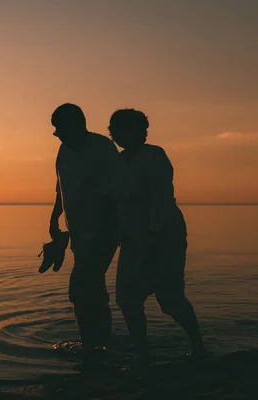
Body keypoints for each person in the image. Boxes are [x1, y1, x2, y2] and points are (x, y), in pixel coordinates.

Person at [107, 108, 206, 366]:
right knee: (128, 299)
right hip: (132, 239)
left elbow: (160, 199)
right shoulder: (117, 163)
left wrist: (153, 240)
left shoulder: (154, 156)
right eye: (113, 130)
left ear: (140, 132)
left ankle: (198, 347)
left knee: (170, 299)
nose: (115, 134)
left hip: (164, 236)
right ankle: (142, 355)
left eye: (120, 129)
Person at [48, 103, 123, 356]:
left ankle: (93, 345)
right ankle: (98, 344)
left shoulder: (102, 148)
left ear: (78, 125)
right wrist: (53, 222)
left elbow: (116, 194)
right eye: (56, 131)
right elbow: (61, 190)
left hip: (103, 232)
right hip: (79, 234)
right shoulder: (63, 151)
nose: (58, 135)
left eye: (60, 129)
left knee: (81, 287)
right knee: (93, 287)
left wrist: (104, 234)